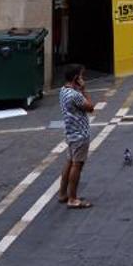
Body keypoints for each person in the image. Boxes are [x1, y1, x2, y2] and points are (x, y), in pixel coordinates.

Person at [58, 64, 95, 209]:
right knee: (77, 165)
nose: (82, 79)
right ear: (76, 79)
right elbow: (90, 107)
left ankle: (62, 194)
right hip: (80, 134)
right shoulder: (75, 95)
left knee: (70, 161)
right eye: (81, 76)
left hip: (70, 133)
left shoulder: (63, 91)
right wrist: (84, 90)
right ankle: (72, 198)